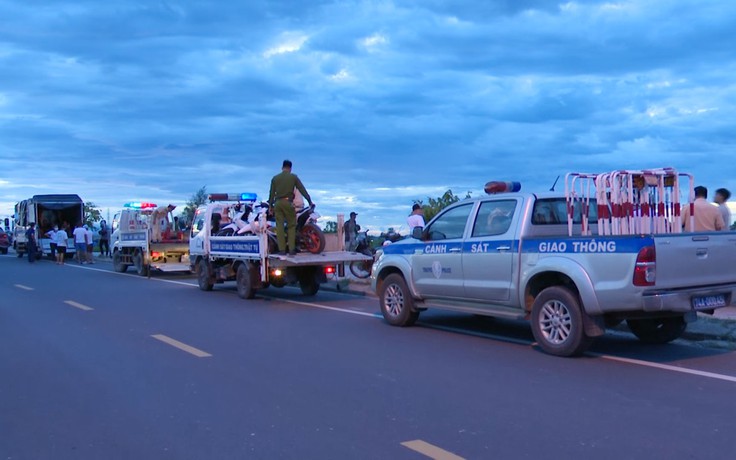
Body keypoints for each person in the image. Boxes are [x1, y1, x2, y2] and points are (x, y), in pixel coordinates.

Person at [269, 159, 313, 255]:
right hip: (288, 202)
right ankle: (292, 249)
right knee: (291, 226)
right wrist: (309, 201)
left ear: (282, 167)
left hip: (278, 203)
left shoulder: (275, 178)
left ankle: (282, 250)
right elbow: (302, 189)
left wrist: (270, 207)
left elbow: (271, 194)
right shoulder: (293, 177)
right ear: (290, 168)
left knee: (279, 226)